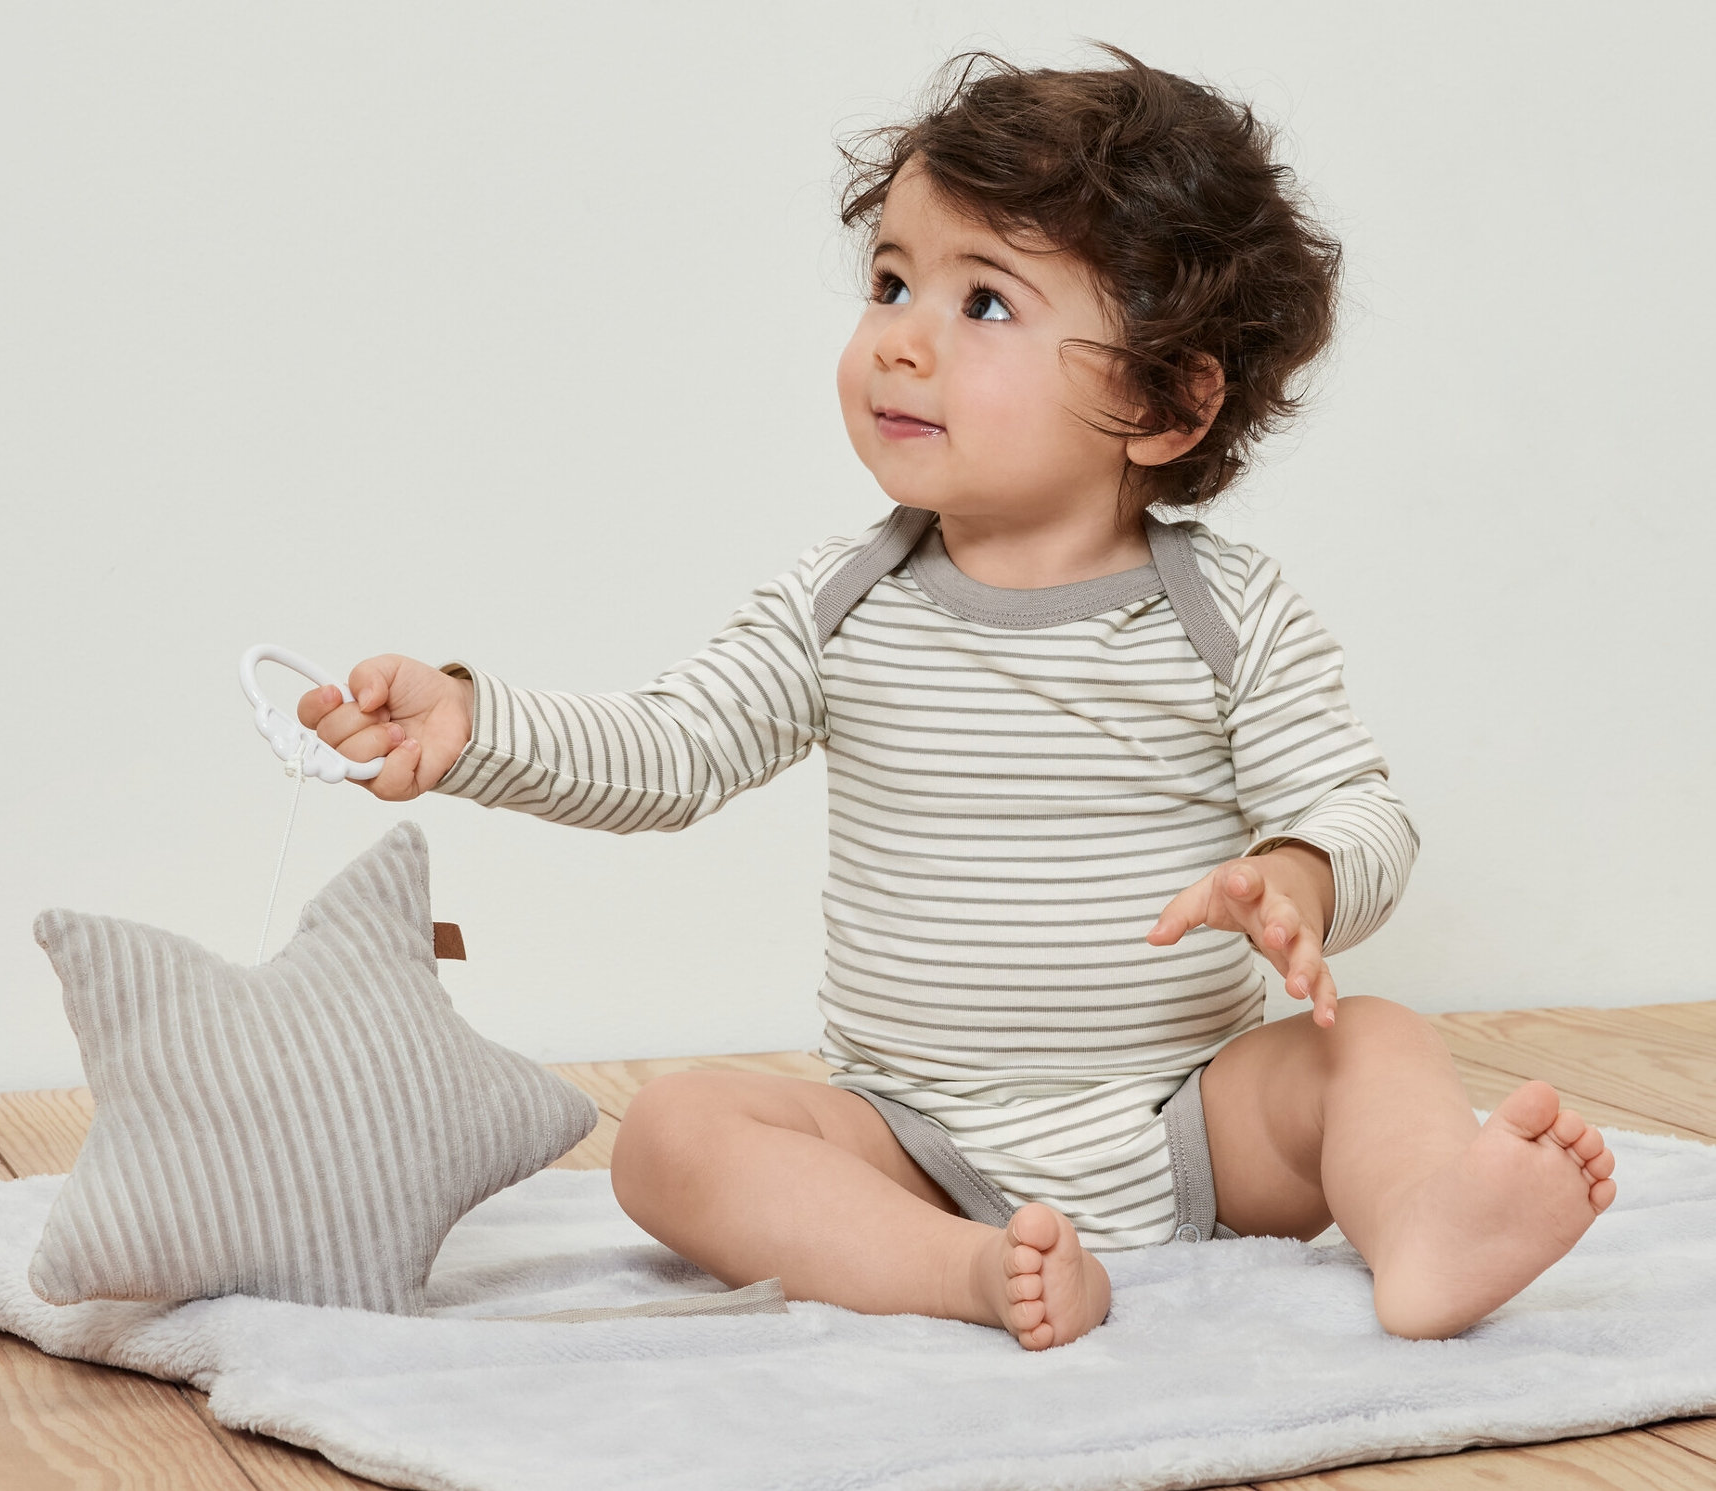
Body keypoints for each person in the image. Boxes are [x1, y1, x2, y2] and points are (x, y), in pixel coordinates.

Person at [297, 43, 1616, 1351]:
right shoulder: (844, 600)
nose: (900, 343)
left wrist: (1298, 877)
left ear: (1164, 400)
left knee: (1368, 1044)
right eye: (889, 283)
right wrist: (475, 724)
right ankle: (967, 1270)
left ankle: (1425, 1225)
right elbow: (673, 747)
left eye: (982, 302)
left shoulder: (1229, 612)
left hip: (1194, 1124)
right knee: (672, 1135)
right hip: (914, 1143)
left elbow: (1360, 810)